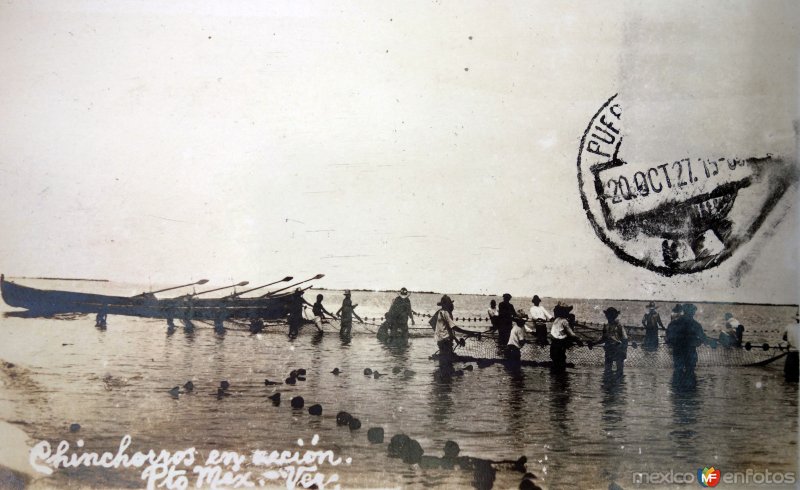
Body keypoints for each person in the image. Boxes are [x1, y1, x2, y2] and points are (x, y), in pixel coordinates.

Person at [665, 303, 707, 376]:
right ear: (693, 312)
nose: (693, 313)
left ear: (684, 311)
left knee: (677, 372)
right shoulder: (696, 324)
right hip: (690, 352)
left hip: (677, 352)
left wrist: (672, 344)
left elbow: (668, 337)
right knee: (690, 373)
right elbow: (703, 338)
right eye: (693, 311)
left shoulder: (674, 323)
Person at [549, 303, 581, 372]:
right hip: (560, 346)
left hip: (553, 344)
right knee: (561, 366)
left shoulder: (556, 320)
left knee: (555, 365)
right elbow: (571, 334)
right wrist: (578, 339)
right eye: (566, 311)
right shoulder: (564, 321)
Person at [431, 295, 459, 368]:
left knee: (445, 360)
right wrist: (470, 333)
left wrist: (439, 334)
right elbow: (454, 328)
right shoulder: (445, 313)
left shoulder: (440, 312)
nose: (451, 306)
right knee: (448, 362)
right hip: (445, 341)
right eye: (450, 304)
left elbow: (449, 329)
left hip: (441, 341)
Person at [601, 307, 628, 375]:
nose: (608, 317)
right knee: (607, 371)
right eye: (608, 315)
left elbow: (625, 339)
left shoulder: (619, 326)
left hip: (618, 350)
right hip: (609, 350)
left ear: (614, 316)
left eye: (611, 315)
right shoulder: (606, 326)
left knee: (619, 372)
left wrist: (623, 351)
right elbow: (603, 339)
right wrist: (593, 343)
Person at [782, 313, 799, 383]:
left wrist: (790, 341)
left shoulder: (789, 326)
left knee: (788, 377)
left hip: (791, 353)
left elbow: (784, 337)